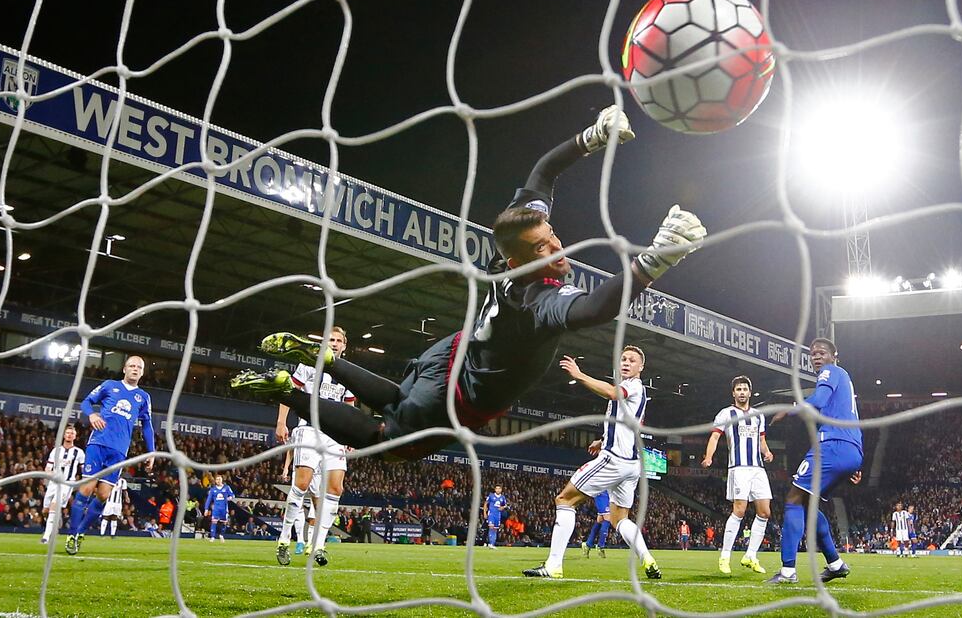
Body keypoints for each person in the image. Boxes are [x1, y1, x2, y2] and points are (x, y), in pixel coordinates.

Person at [231, 106, 706, 461]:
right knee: (386, 444)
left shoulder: (517, 250)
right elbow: (598, 308)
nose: (555, 245)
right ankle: (285, 388)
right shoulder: (535, 298)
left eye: (551, 235)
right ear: (518, 259)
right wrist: (653, 261)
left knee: (398, 401)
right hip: (457, 397)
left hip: (450, 355)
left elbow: (543, 172)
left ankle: (326, 360)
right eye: (544, 247)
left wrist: (592, 136)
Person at [524, 346, 661, 580]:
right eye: (623, 359)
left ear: (641, 367)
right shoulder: (635, 390)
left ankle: (553, 565)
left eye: (632, 360)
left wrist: (579, 375)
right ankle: (647, 558)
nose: (626, 363)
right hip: (631, 465)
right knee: (620, 519)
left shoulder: (632, 386)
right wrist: (603, 439)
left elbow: (610, 392)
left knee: (564, 500)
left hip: (614, 460)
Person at [766, 338, 863, 585]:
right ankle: (836, 564)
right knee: (809, 505)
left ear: (834, 355)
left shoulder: (831, 372)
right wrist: (853, 462)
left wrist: (789, 409)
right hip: (851, 449)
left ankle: (787, 571)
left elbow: (817, 401)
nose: (816, 357)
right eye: (812, 354)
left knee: (793, 499)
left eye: (821, 353)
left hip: (831, 445)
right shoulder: (845, 381)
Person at [271, 327, 356, 567]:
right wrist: (281, 421)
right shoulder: (308, 364)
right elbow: (289, 391)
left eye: (339, 340)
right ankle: (284, 539)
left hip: (334, 434)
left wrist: (350, 435)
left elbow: (349, 407)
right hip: (309, 429)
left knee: (336, 488)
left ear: (344, 346)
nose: (335, 343)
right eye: (331, 339)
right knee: (302, 483)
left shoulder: (347, 373)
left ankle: (319, 546)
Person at [66, 355, 155, 555]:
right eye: (131, 365)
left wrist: (151, 452)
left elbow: (147, 426)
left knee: (104, 495)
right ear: (124, 369)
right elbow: (87, 402)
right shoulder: (109, 385)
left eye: (138, 367)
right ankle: (72, 534)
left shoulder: (143, 397)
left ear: (142, 372)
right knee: (87, 489)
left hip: (119, 451)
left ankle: (80, 532)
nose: (134, 369)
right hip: (98, 444)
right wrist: (92, 414)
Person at [702, 375, 774, 575]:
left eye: (745, 389)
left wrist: (767, 453)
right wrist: (709, 457)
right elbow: (715, 436)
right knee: (739, 510)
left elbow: (761, 440)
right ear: (733, 393)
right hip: (739, 467)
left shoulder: (759, 415)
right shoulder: (726, 413)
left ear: (750, 392)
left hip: (758, 469)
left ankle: (750, 556)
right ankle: (724, 557)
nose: (742, 392)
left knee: (765, 512)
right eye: (738, 389)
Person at [40, 422, 85, 544]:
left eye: (72, 433)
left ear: (75, 437)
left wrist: (82, 482)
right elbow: (48, 467)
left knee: (54, 505)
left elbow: (84, 470)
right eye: (68, 433)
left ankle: (46, 536)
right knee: (45, 510)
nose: (70, 435)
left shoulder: (79, 453)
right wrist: (49, 474)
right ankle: (54, 521)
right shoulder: (56, 451)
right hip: (53, 483)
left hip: (67, 483)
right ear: (64, 435)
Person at [580, 492, 611, 558]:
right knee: (607, 518)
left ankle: (588, 544)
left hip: (605, 495)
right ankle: (600, 546)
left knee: (600, 520)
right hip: (603, 495)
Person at [206, 475, 235, 541]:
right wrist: (206, 509)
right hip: (216, 508)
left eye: (219, 479)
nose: (218, 481)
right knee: (214, 522)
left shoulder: (226, 487)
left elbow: (233, 495)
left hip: (224, 508)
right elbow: (209, 499)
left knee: (224, 523)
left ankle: (221, 535)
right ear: (215, 481)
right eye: (217, 479)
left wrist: (229, 498)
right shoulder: (213, 489)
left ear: (222, 480)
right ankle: (212, 537)